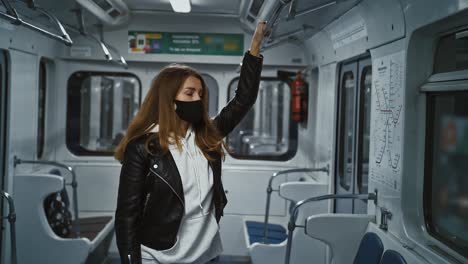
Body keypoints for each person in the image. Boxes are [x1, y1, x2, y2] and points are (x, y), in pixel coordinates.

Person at [114, 22, 267, 264]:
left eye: (200, 94)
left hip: (205, 254)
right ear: (169, 100)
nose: (198, 99)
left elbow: (243, 99)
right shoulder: (143, 147)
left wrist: (256, 45)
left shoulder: (207, 134)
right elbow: (127, 215)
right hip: (158, 256)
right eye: (189, 93)